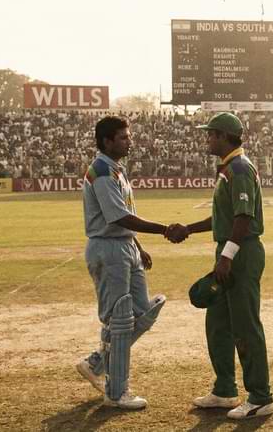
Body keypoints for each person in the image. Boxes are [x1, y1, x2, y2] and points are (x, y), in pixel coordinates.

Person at [168, 112, 273, 419]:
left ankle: (261, 396)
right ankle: (225, 389)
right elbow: (224, 218)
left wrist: (226, 257)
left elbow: (243, 219)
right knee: (218, 324)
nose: (207, 138)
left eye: (211, 134)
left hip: (241, 253)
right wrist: (188, 228)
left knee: (245, 325)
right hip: (230, 250)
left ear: (225, 136)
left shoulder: (239, 168)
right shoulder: (230, 168)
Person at [75, 116, 170, 409]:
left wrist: (138, 245)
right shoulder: (102, 170)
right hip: (108, 249)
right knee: (119, 320)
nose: (130, 141)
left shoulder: (116, 169)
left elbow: (124, 216)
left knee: (143, 311)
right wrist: (165, 229)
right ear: (107, 141)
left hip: (125, 246)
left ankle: (96, 363)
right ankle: (116, 392)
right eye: (124, 137)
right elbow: (118, 216)